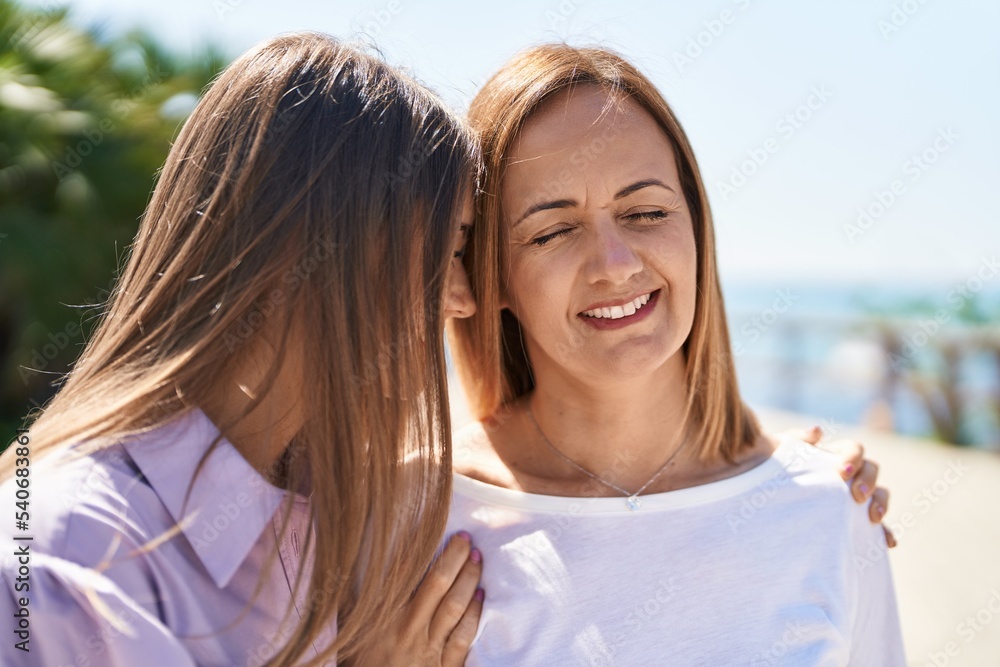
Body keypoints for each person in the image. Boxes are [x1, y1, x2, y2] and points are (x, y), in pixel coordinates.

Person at [0, 32, 485, 666]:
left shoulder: (328, 532)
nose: (464, 299)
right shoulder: (60, 560)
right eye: (450, 250)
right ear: (320, 243)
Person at [445, 44, 906, 664]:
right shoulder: (418, 519)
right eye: (553, 231)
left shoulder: (829, 507)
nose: (615, 265)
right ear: (490, 274)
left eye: (646, 212)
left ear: (696, 231)